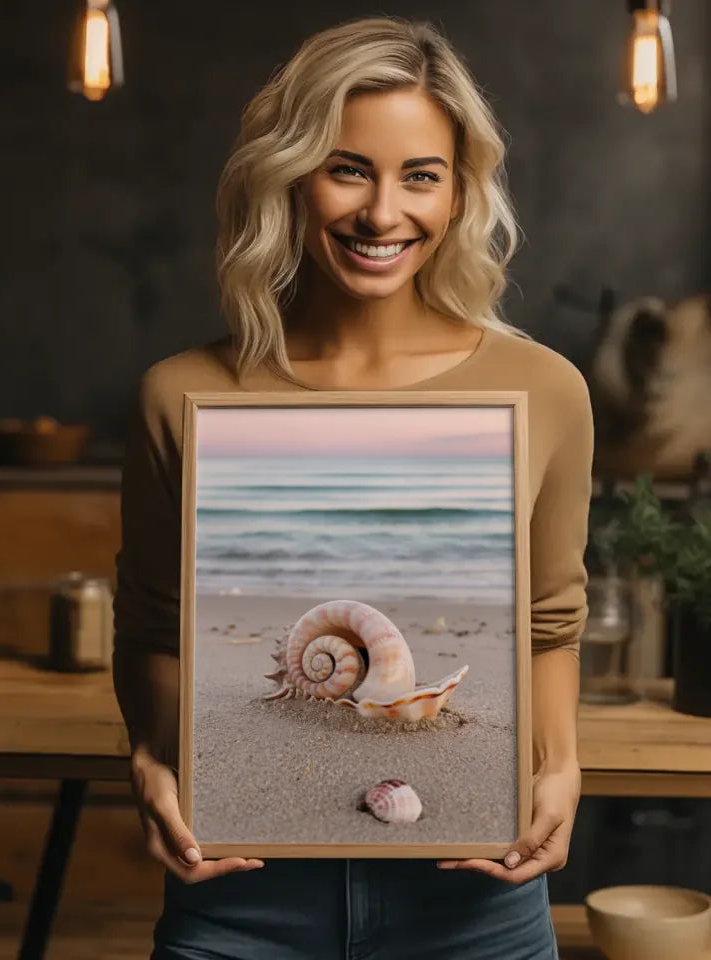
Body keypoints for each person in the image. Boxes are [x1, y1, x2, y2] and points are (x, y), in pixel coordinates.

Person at [113, 15, 592, 960]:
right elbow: (152, 625)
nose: (383, 214)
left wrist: (562, 766)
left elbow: (549, 624)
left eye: (421, 175)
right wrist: (148, 756)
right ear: (289, 178)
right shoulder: (183, 394)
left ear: (459, 195)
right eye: (347, 169)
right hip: (239, 898)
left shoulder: (545, 390)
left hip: (473, 901)